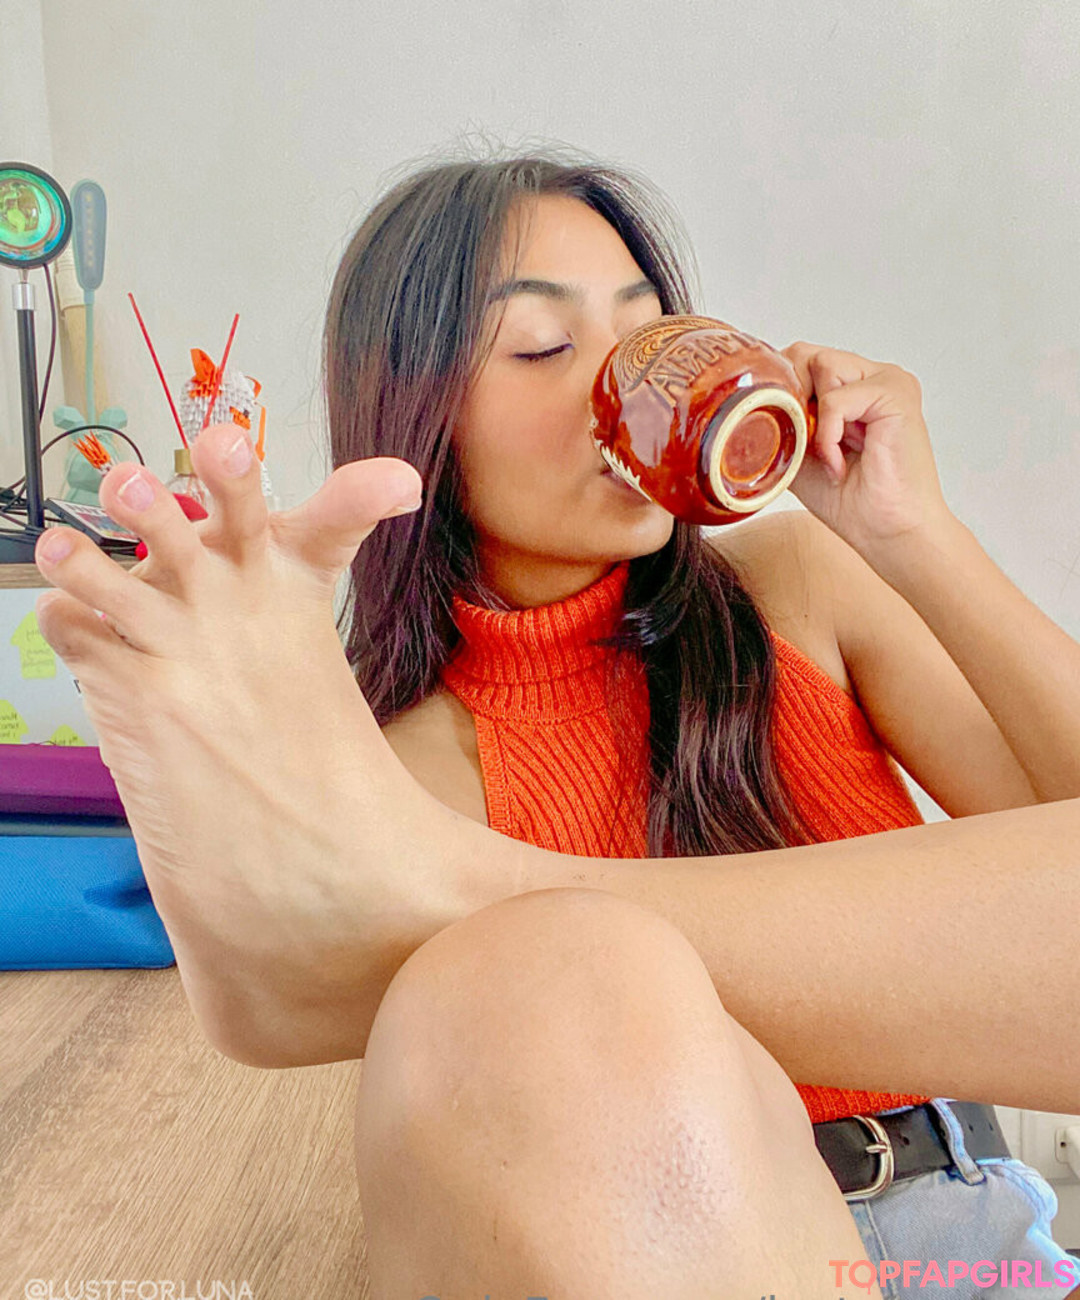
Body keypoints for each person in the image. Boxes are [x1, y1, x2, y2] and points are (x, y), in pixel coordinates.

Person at [33, 148, 1080, 1299]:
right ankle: (467, 894)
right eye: (542, 346)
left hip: (966, 1227)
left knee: (539, 938)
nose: (623, 381)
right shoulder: (398, 769)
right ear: (422, 410)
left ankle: (454, 884)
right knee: (542, 974)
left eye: (646, 331)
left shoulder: (795, 587)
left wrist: (912, 534)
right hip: (673, 1243)